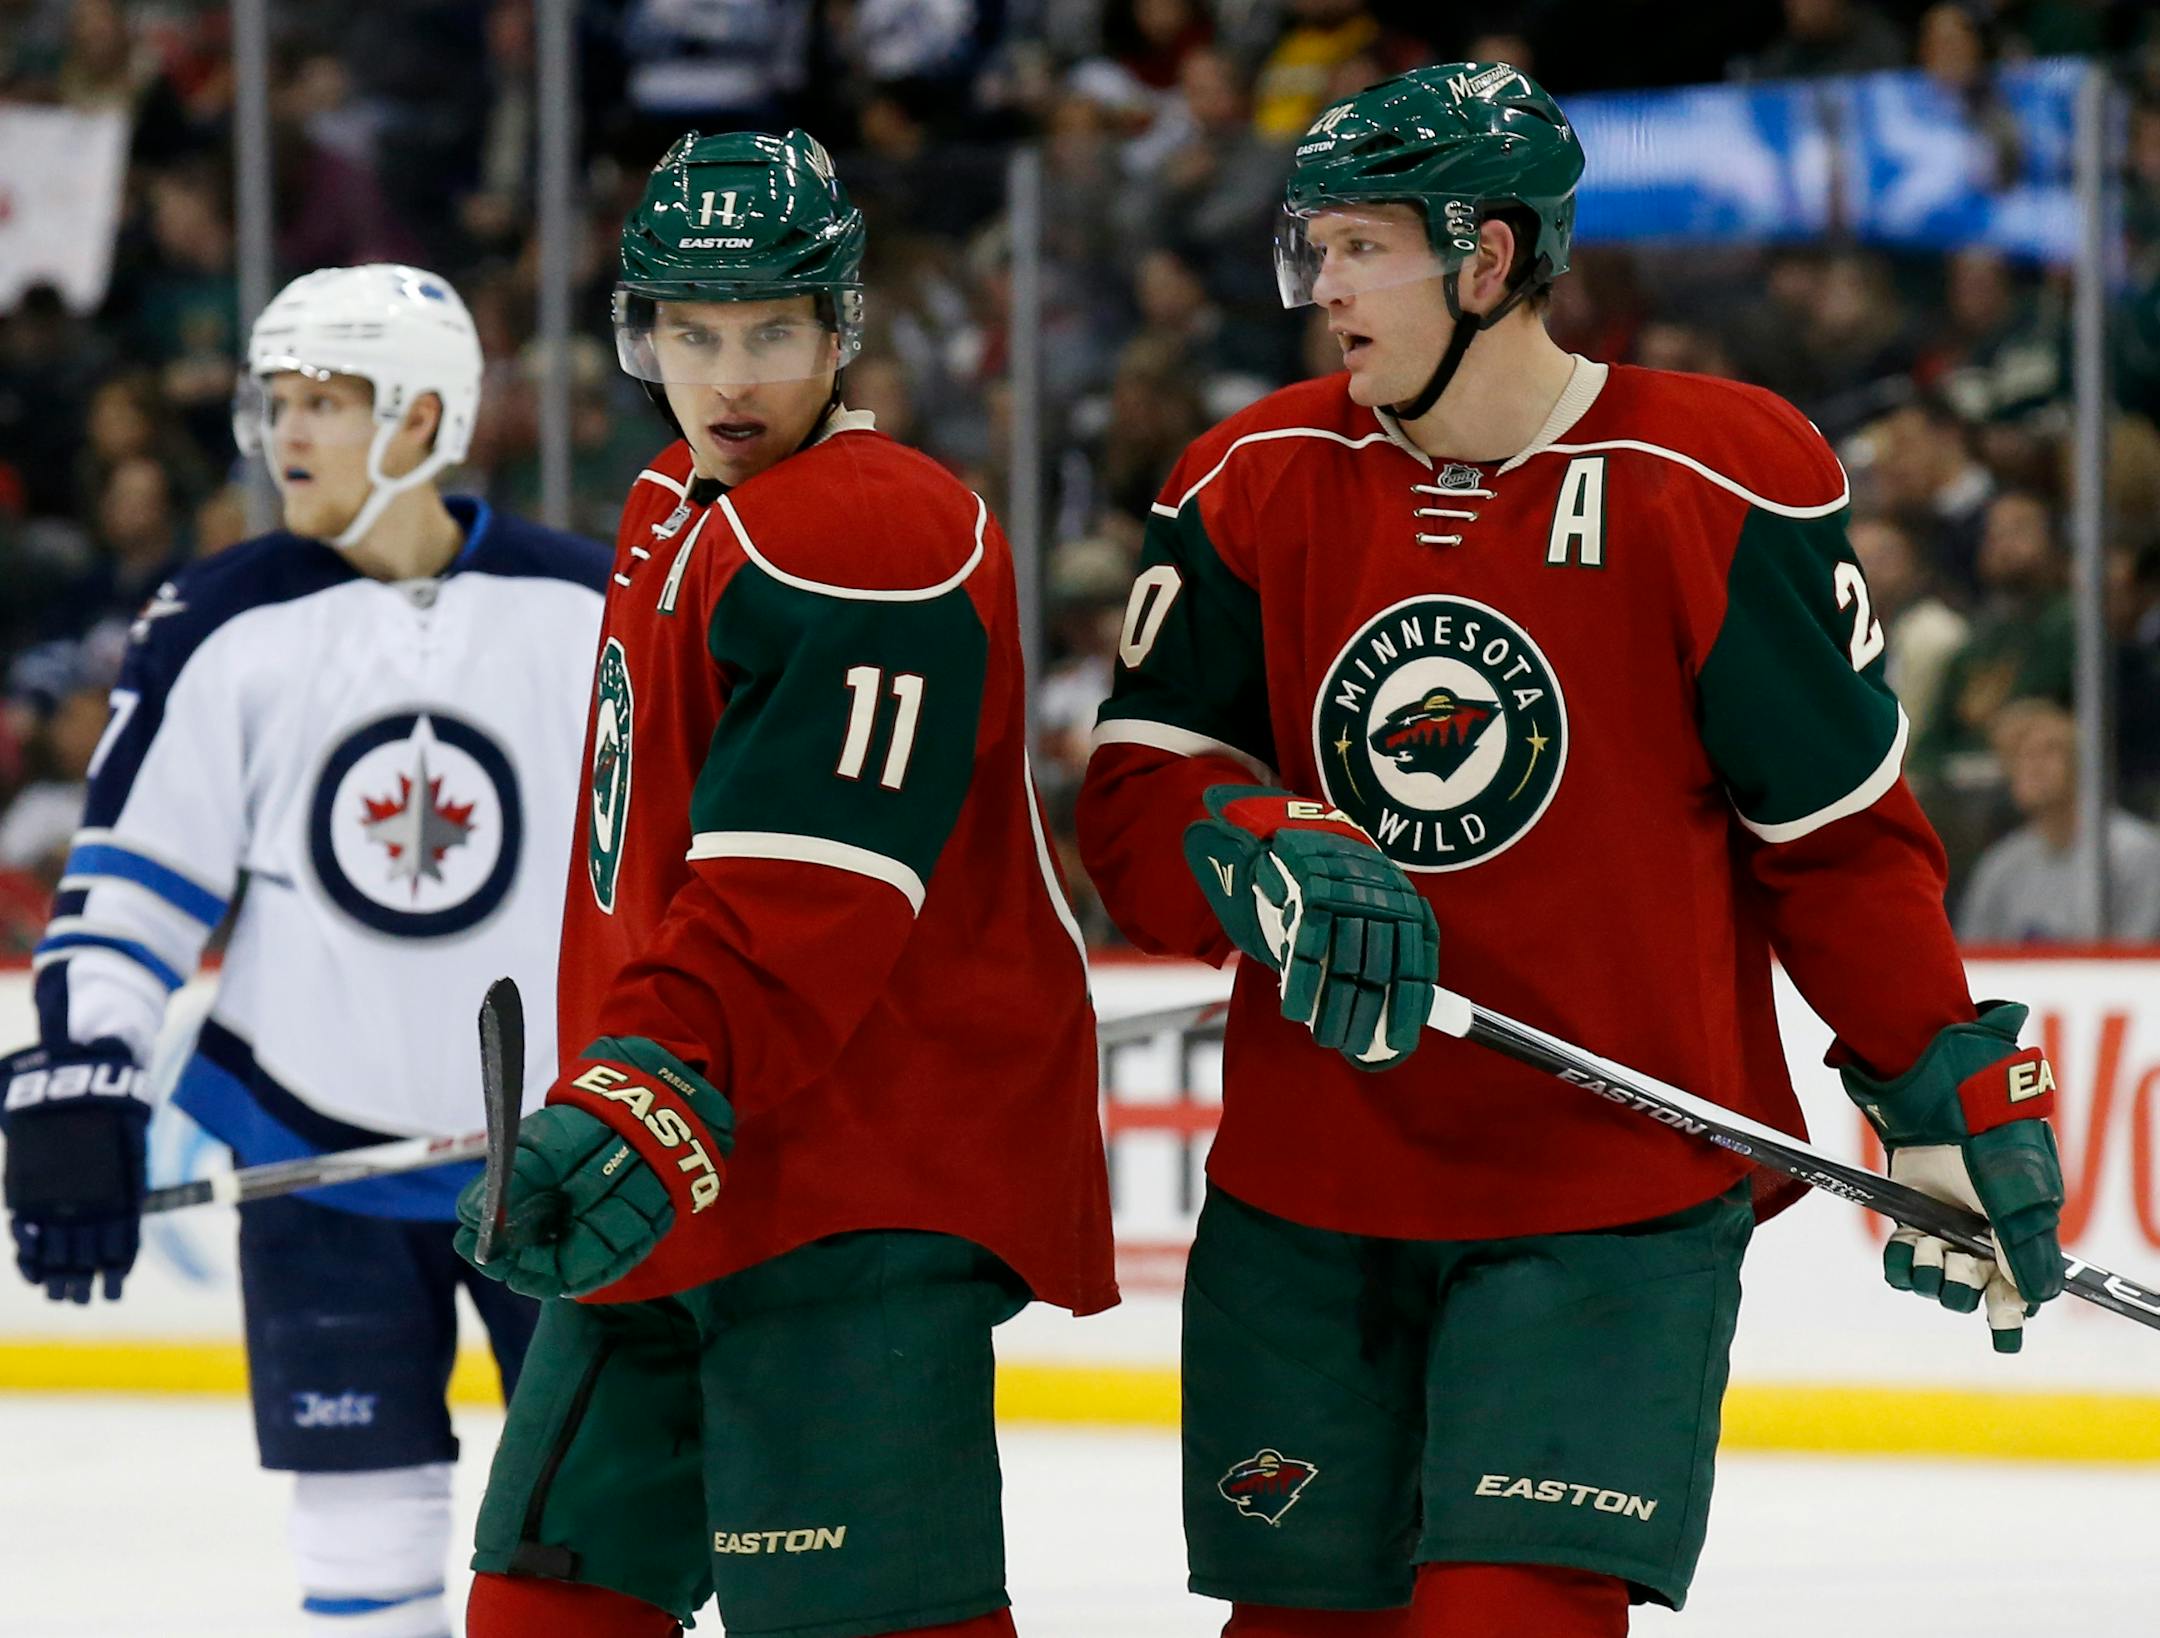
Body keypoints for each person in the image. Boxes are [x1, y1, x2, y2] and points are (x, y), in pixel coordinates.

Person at [1076, 64, 2067, 1638]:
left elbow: (1835, 845)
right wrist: (1251, 845)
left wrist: (1933, 1072)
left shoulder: (1718, 479)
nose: (1323, 287)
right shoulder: (1246, 477)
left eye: (1361, 248)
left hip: (1606, 1198)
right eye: (1313, 248)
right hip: (1312, 1192)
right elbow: (1136, 795)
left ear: (1486, 260)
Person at [454, 129, 1116, 1638]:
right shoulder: (676, 505)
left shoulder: (866, 531)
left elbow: (799, 896)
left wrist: (642, 1084)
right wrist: (621, 1083)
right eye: (692, 335)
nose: (730, 378)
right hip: (683, 1149)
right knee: (542, 1600)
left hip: (848, 1183)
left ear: (840, 331)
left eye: (771, 332)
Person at [0, 263, 611, 1638]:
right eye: (277, 401)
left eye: (326, 401)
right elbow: (131, 889)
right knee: (359, 1527)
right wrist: (86, 1068)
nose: (287, 433)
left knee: (596, 1534)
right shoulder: (215, 619)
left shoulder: (592, 607)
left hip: (568, 1160)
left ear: (424, 417)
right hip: (308, 1144)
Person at [1956, 700, 2160, 944]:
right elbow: (1972, 954)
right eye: (2017, 756)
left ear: (2081, 763)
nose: (2031, 767)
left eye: (2048, 752)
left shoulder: (2137, 854)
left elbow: (2136, 956)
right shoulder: (2001, 866)